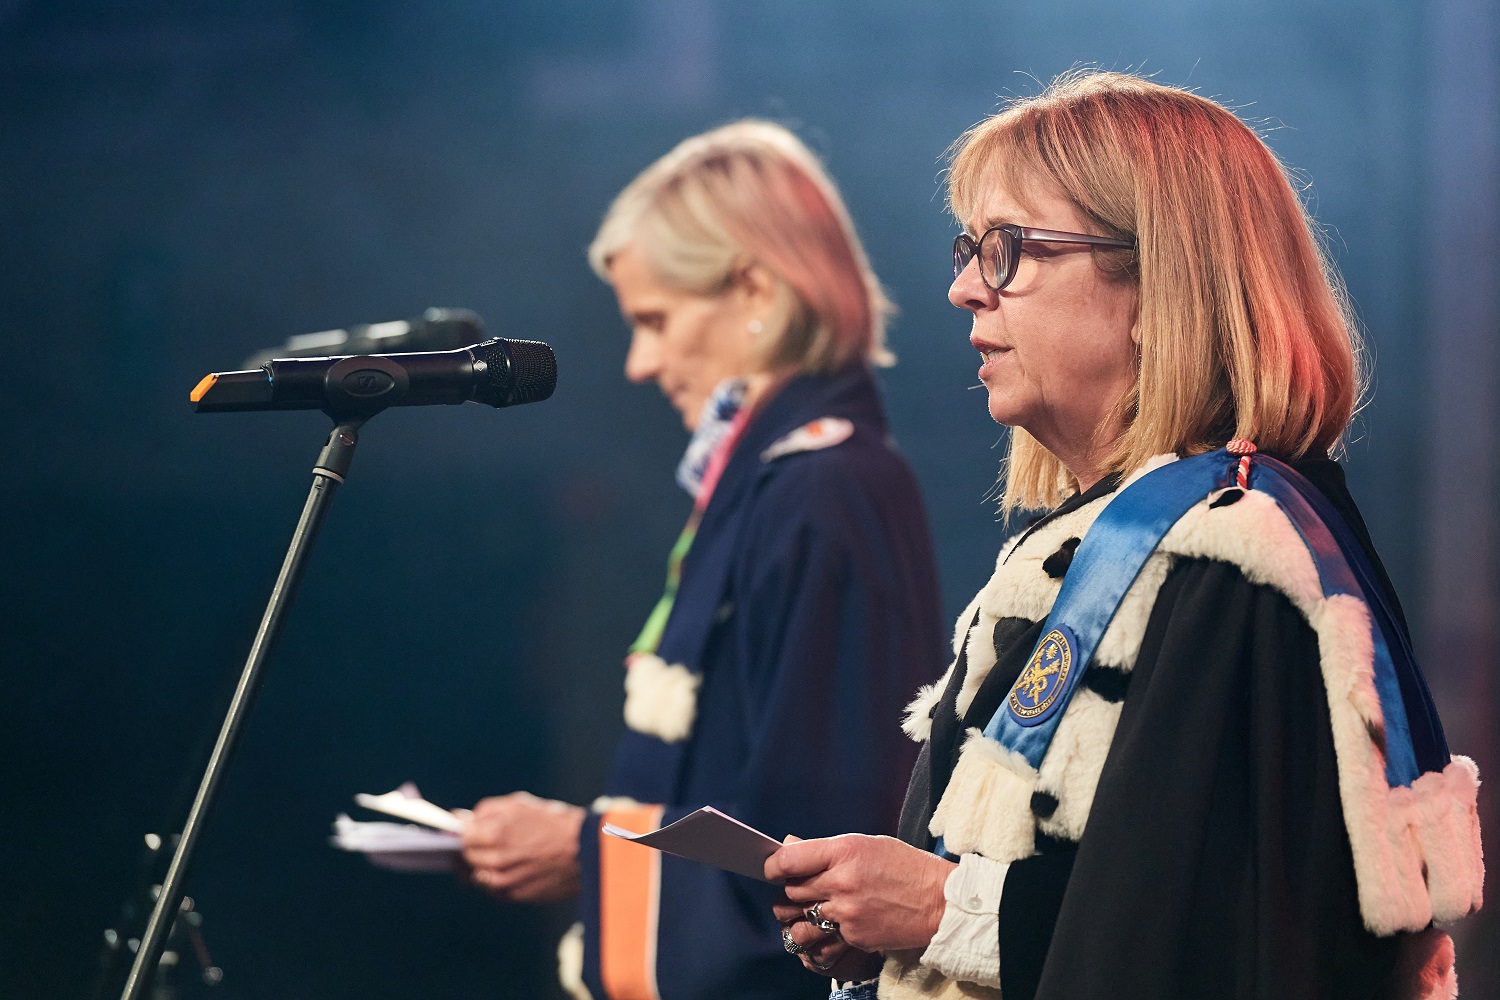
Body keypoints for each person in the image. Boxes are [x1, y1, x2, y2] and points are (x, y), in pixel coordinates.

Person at [766, 71, 1484, 1000]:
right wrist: (902, 930)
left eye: (1008, 250)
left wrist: (948, 912)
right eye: (970, 250)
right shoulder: (1104, 543)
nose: (960, 291)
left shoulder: (1235, 556)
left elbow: (1236, 942)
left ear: (1156, 285)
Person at [459, 120, 947, 999]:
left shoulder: (823, 489)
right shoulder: (776, 483)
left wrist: (584, 851)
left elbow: (812, 844)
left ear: (756, 289)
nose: (640, 364)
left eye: (654, 320)